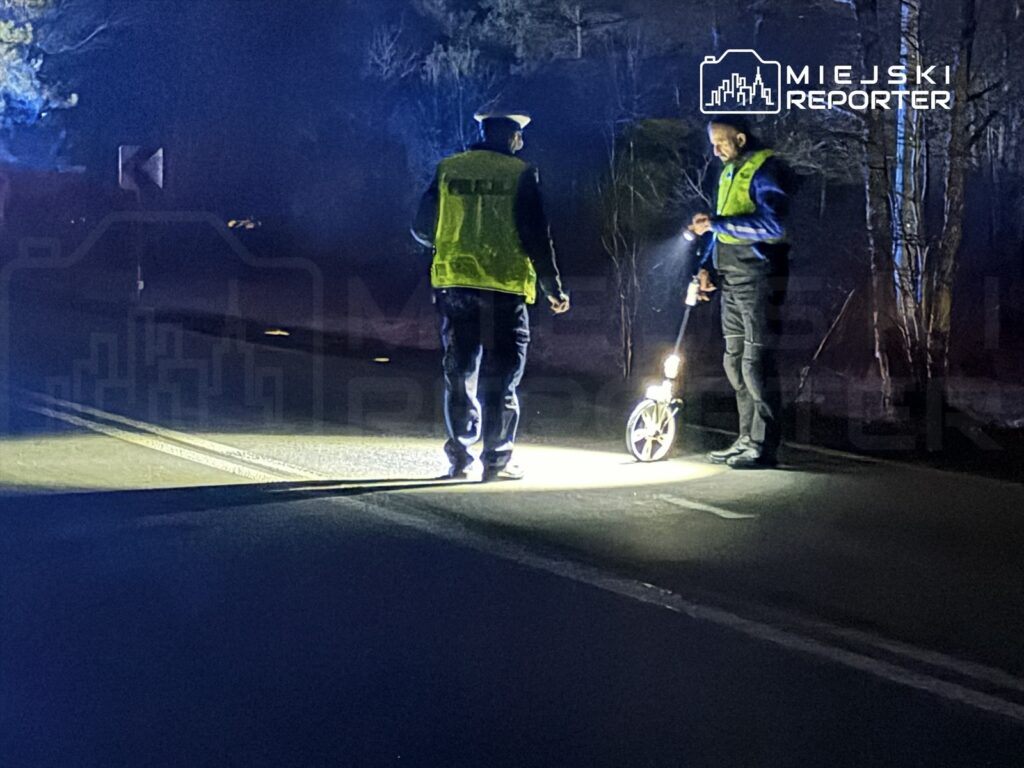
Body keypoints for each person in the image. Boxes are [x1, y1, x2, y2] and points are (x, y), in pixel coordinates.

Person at [412, 111, 570, 482]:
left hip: (457, 286)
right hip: (504, 287)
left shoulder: (448, 168)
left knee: (460, 373)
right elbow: (536, 235)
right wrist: (552, 287)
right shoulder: (520, 173)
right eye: (520, 137)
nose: (521, 143)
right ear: (512, 137)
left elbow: (421, 227)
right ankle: (496, 460)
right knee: (502, 376)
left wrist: (449, 244)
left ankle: (460, 459)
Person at [688, 116, 792, 469]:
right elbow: (721, 226)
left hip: (759, 278)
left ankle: (764, 446)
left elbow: (773, 225)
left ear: (741, 139)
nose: (715, 151)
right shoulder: (730, 171)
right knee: (733, 361)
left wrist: (717, 224)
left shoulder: (766, 170)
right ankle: (746, 439)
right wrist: (707, 267)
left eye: (721, 142)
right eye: (713, 143)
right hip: (730, 278)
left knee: (755, 363)